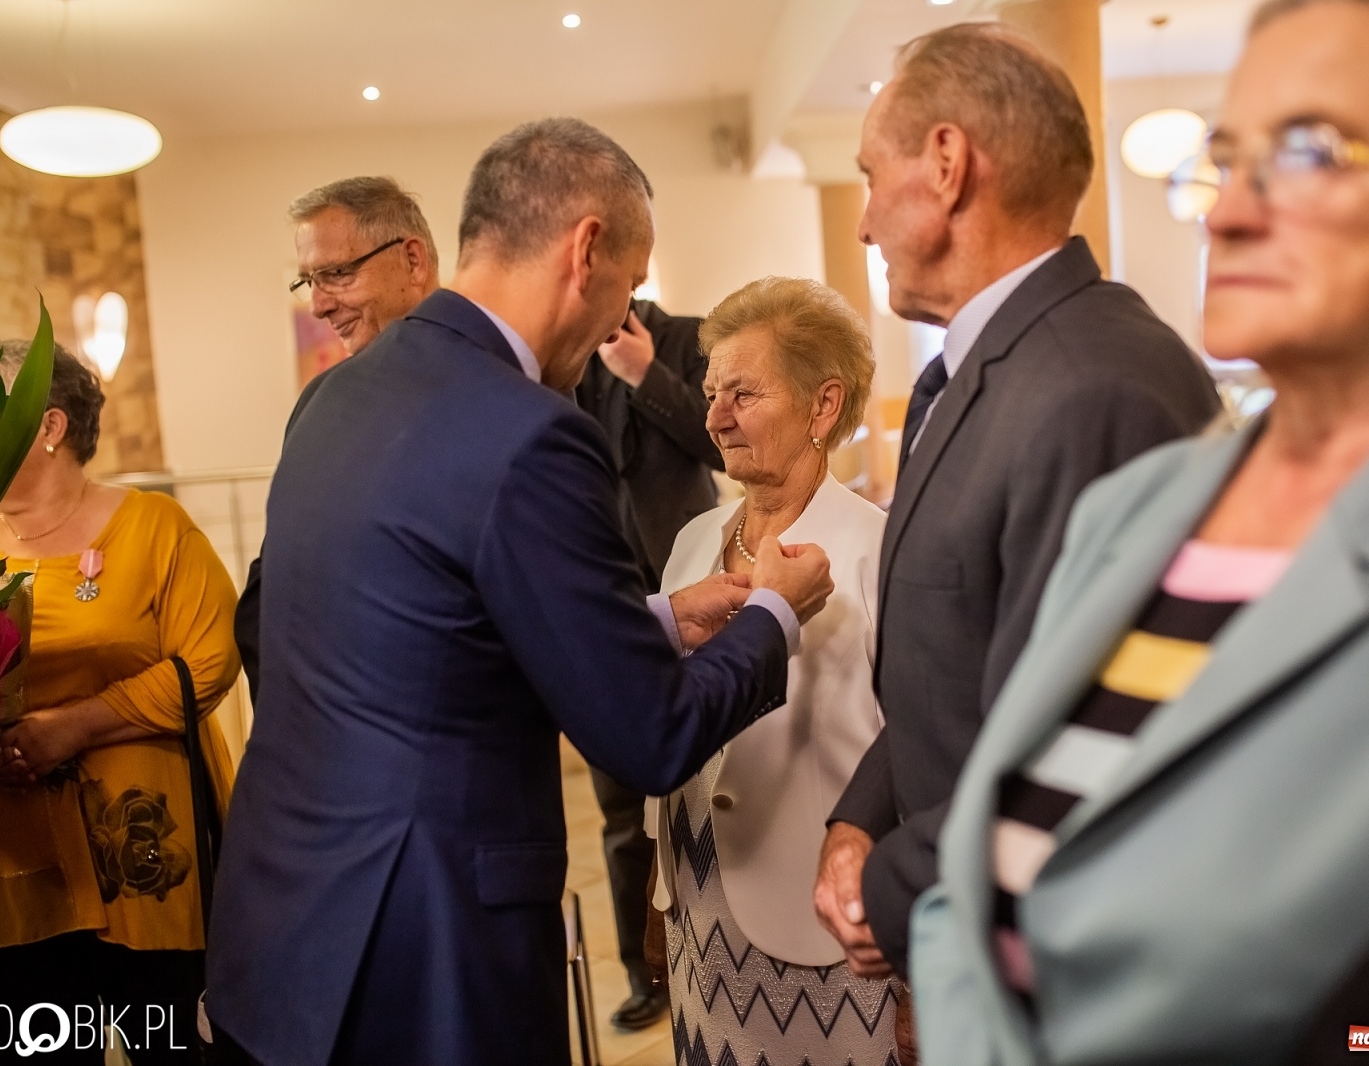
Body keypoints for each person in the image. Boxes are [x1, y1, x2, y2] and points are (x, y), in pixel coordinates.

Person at [910, 0, 1369, 1060]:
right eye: (1223, 157)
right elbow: (962, 890)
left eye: (1310, 149)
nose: (1226, 211)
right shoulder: (1137, 509)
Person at [203, 118, 835, 1066]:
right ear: (587, 250)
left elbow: (426, 629)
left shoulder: (332, 401)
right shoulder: (532, 429)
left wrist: (658, 617)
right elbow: (647, 737)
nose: (625, 308)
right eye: (629, 283)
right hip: (426, 951)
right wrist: (775, 614)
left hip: (281, 928)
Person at [813, 18, 1221, 1002]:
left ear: (947, 164)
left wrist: (890, 887)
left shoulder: (1095, 387)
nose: (862, 222)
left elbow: (1085, 740)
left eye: (870, 175)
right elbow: (955, 658)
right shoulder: (977, 369)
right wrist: (858, 814)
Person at [0, 342, 240, 1065]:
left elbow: (211, 659)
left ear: (50, 427)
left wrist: (73, 727)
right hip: (4, 864)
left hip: (143, 864)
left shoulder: (156, 529)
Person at [647, 277, 895, 1066]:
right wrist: (659, 894)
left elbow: (918, 752)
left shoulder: (882, 549)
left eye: (742, 392)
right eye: (711, 390)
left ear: (824, 407)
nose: (714, 414)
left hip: (827, 931)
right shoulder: (691, 542)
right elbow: (666, 721)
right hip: (698, 909)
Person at [574, 299, 724, 1030]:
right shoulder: (555, 352)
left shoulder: (688, 339)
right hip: (603, 604)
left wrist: (646, 374)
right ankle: (647, 971)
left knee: (706, 783)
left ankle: (715, 937)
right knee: (618, 807)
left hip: (690, 589)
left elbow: (720, 443)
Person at [235, 176, 440, 701]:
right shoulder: (318, 400)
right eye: (309, 281)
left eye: (336, 274)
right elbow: (274, 571)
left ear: (412, 261)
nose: (319, 306)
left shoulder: (498, 394)